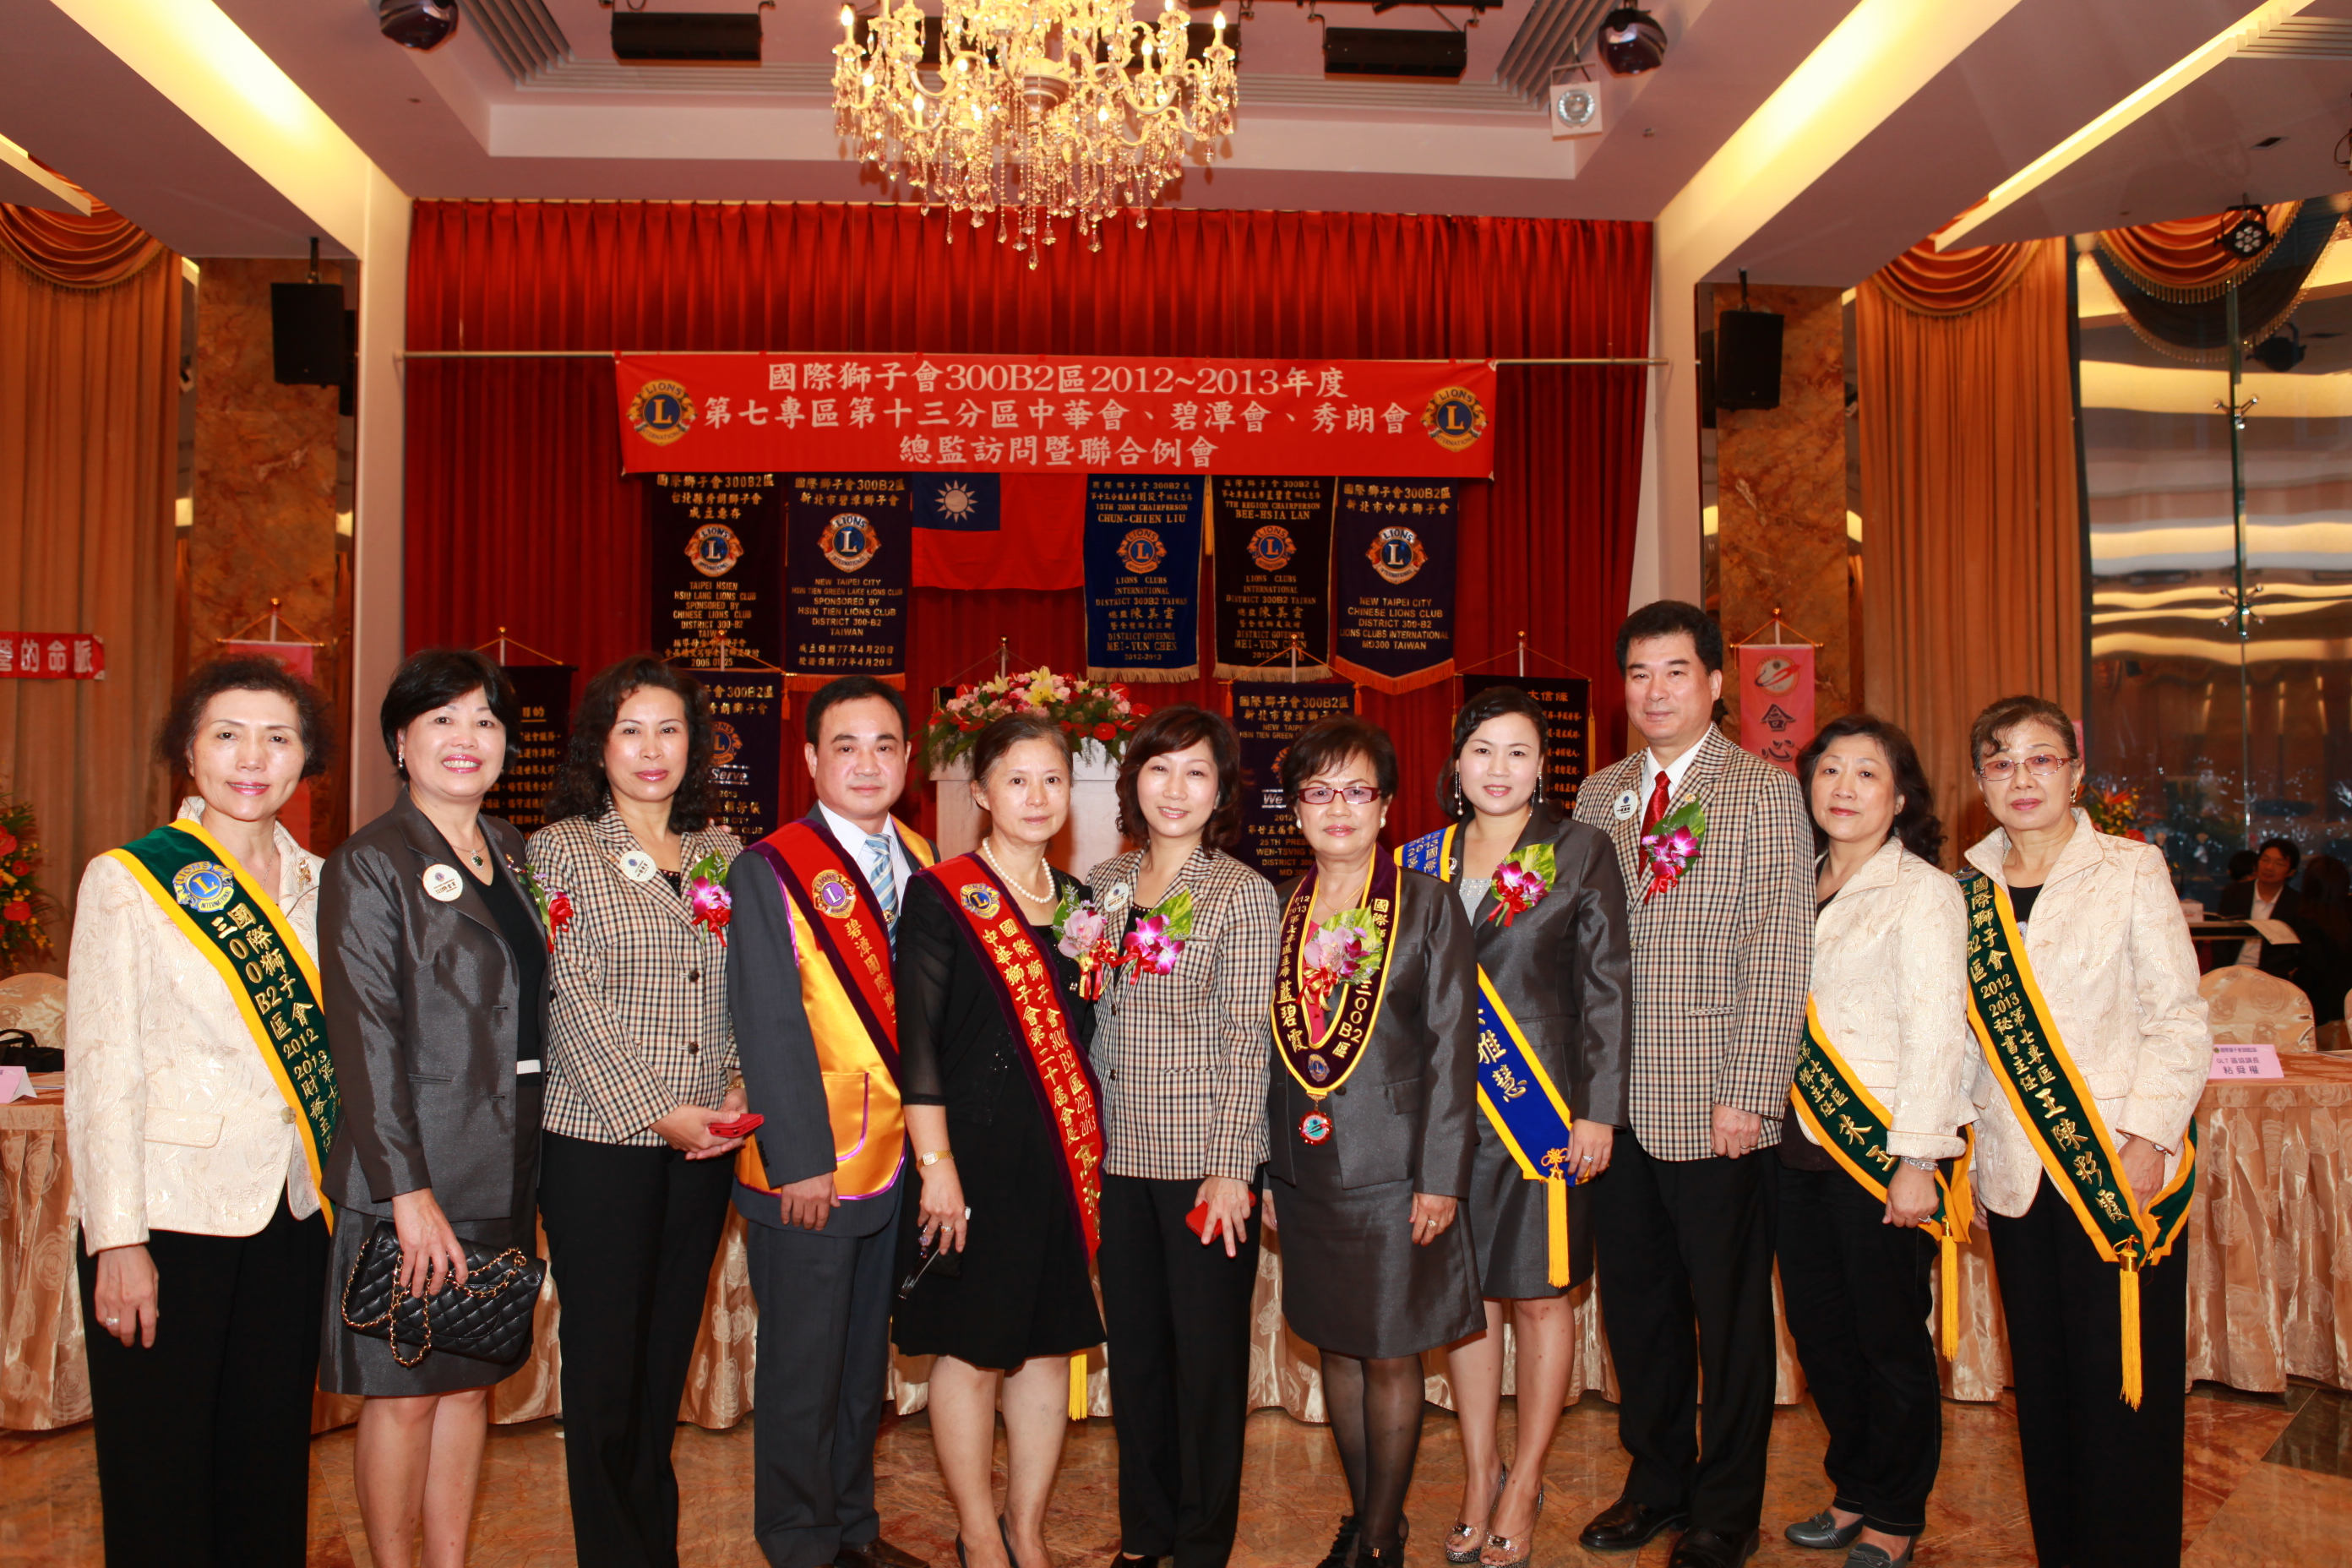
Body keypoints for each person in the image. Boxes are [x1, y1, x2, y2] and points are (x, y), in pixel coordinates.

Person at [64, 656, 337, 1567]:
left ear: (306, 758)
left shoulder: (327, 883)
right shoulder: (130, 879)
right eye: (227, 735)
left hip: (292, 1214)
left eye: (278, 737)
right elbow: (103, 1069)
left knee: (267, 1468)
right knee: (160, 1472)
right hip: (168, 1219)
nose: (251, 758)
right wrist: (117, 1238)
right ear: (189, 751)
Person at [1570, 601, 1812, 1568]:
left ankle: (1727, 1505)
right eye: (1639, 673)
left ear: (1716, 682)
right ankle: (1656, 1480)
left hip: (1717, 1102)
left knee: (1730, 1313)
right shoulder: (1599, 794)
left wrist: (1751, 1087)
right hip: (1612, 1107)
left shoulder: (1763, 791)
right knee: (1639, 1307)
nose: (1655, 690)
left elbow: (1779, 946)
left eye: (1676, 670)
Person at [1961, 694, 2211, 1568]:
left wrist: (2148, 1137)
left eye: (2041, 758)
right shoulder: (1965, 890)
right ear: (1980, 783)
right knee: (2046, 1390)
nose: (2021, 777)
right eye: (2001, 761)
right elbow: (1968, 1044)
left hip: (2114, 1167)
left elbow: (2178, 1018)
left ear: (2075, 773)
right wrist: (1969, 1159)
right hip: (2014, 1176)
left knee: (2122, 1390)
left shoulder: (2131, 869)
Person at [319, 648, 552, 1568]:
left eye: (486, 720)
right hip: (413, 1175)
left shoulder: (515, 849)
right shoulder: (371, 860)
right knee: (406, 1389)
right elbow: (365, 1039)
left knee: (469, 1383)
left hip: (506, 1162)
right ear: (400, 741)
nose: (467, 738)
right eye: (443, 719)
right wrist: (406, 1193)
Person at [1400, 687, 1629, 1568]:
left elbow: (1606, 986)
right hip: (1443, 1118)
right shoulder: (1418, 858)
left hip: (1542, 1110)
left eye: (1519, 751)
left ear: (1543, 766)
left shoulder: (1580, 849)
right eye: (1483, 750)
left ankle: (1525, 1478)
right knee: (1467, 1303)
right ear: (1457, 761)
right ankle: (1478, 1470)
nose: (1499, 768)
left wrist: (1599, 1109)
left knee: (1537, 1296)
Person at [530, 656, 749, 1568]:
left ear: (693, 745)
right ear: (599, 745)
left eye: (669, 729)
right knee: (607, 1361)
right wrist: (661, 1111)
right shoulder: (560, 849)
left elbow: (751, 984)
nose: (651, 749)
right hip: (602, 1141)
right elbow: (568, 996)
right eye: (631, 730)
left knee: (665, 1357)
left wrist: (737, 1086)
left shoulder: (722, 850)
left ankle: (650, 1546)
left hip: (706, 1146)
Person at [725, 674, 935, 1568]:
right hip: (815, 1162)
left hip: (897, 1164)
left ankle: (853, 1527)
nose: (867, 763)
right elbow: (768, 1020)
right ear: (810, 758)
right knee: (803, 1368)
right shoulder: (771, 865)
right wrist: (798, 1158)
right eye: (845, 746)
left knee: (858, 1370)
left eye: (885, 745)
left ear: (909, 759)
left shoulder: (923, 857)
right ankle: (799, 1540)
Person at [1264, 715, 1482, 1568]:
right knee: (1338, 1344)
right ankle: (1365, 1521)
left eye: (1357, 790)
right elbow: (1263, 1055)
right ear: (1296, 809)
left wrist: (1441, 1176)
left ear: (1387, 805)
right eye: (1318, 792)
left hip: (1397, 1170)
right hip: (1307, 1169)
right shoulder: (1280, 907)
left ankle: (1383, 1541)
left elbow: (1451, 1048)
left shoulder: (1426, 904)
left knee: (1390, 1351)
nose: (1338, 808)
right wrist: (1265, 1169)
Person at [895, 713, 1104, 1568]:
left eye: (1053, 779)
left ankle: (1027, 1528)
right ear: (981, 792)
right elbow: (918, 1044)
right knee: (974, 1348)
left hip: (1058, 1157)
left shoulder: (1085, 904)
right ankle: (980, 1534)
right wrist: (936, 1167)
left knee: (1047, 1345)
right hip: (971, 1159)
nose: (1036, 796)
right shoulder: (943, 894)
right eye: (1017, 779)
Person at [1774, 715, 1974, 1568]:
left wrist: (1919, 1158)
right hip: (1793, 1150)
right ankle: (1852, 1487)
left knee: (1888, 1337)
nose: (1844, 787)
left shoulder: (1924, 891)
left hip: (1882, 1150)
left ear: (1899, 798)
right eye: (1829, 770)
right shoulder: (1790, 880)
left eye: (1866, 773)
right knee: (1820, 1332)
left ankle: (1895, 1509)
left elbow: (1938, 1030)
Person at [1086, 705, 1280, 1568]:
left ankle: (1202, 1542)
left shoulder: (1241, 893)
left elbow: (1248, 1041)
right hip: (1116, 1161)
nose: (1176, 788)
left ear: (1221, 790)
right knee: (1136, 1358)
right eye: (1160, 768)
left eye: (1197, 771)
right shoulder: (1103, 884)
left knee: (1206, 1364)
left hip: (1204, 1166)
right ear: (1134, 781)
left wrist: (1233, 1167)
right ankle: (1146, 1531)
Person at [2212, 836, 2303, 975]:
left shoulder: (2296, 902)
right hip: (2232, 970)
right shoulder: (2235, 893)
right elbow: (2220, 937)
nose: (2269, 867)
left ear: (2291, 872)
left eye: (2279, 864)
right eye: (2265, 860)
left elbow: (2291, 950)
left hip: (2273, 975)